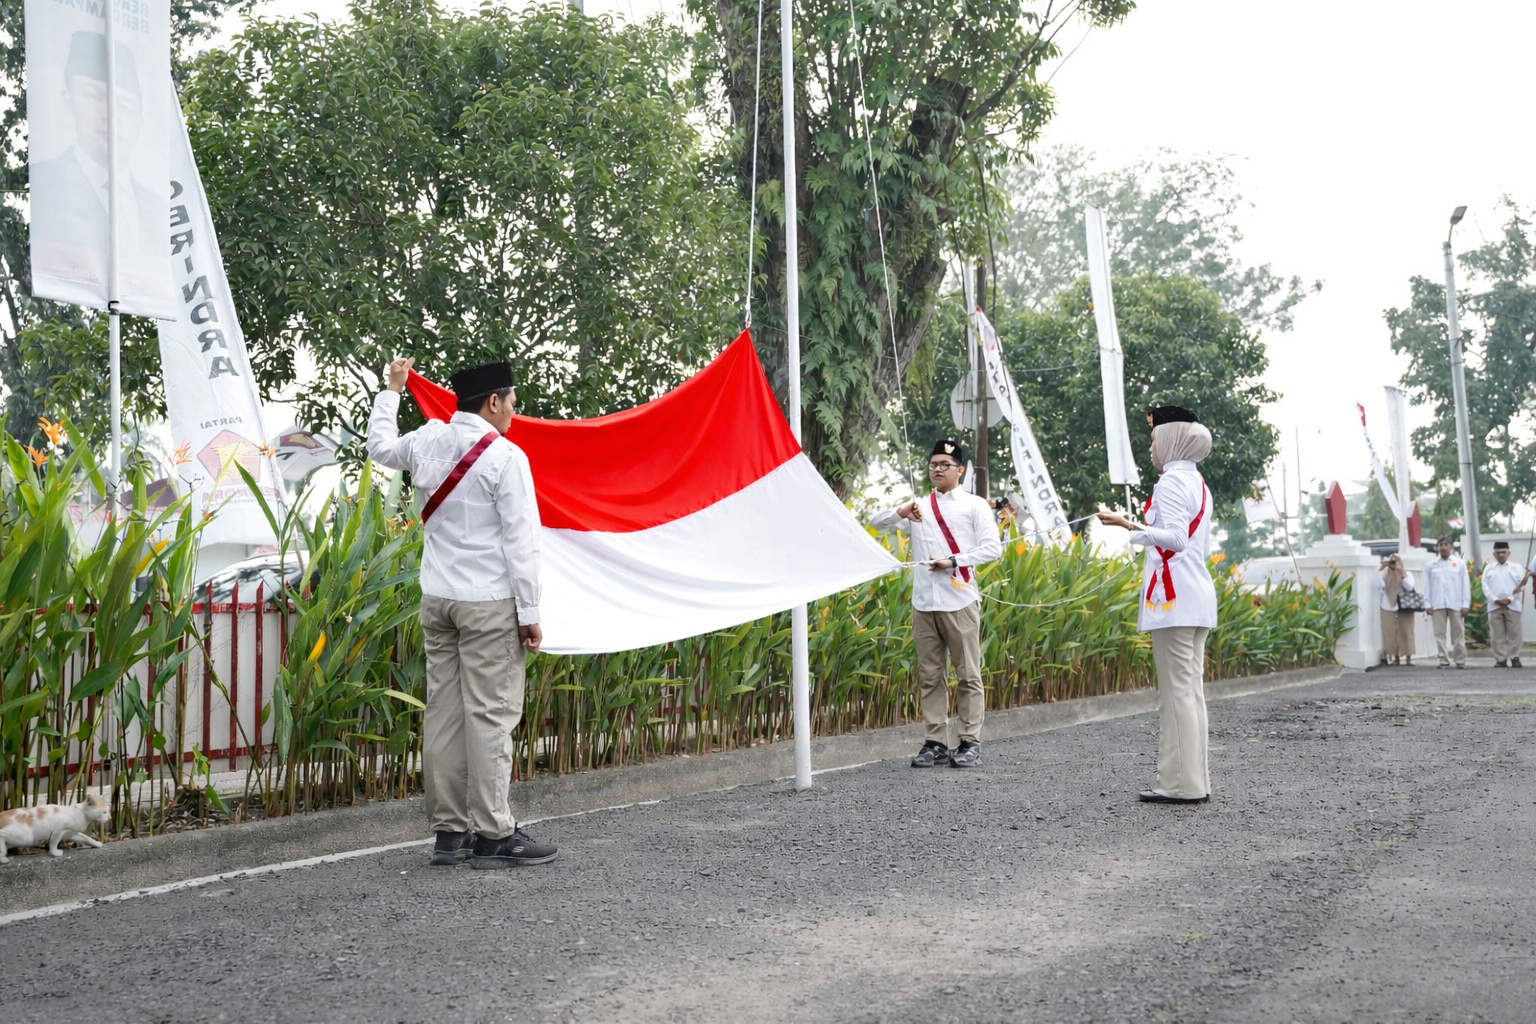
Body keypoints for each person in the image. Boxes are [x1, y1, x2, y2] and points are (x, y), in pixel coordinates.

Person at [366, 356, 557, 869]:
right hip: (488, 604)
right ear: (493, 401)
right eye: (512, 401)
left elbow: (379, 447)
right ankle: (494, 832)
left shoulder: (428, 440)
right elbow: (522, 543)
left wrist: (392, 389)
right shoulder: (505, 457)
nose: (514, 411)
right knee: (491, 715)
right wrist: (530, 612)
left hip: (438, 601)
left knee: (445, 715)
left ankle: (450, 834)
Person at [1096, 406, 1216, 805]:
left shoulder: (1169, 483)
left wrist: (1128, 526)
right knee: (1190, 693)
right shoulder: (1198, 482)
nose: (1150, 449)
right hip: (1195, 595)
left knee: (1177, 693)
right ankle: (1193, 781)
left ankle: (1179, 785)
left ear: (1170, 441)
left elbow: (1177, 539)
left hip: (1175, 599)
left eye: (1153, 441)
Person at [870, 440, 1001, 769]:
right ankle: (935, 742)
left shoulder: (974, 505)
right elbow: (876, 523)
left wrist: (953, 560)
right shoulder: (918, 506)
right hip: (924, 602)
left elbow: (992, 549)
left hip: (959, 599)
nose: (938, 469)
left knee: (968, 673)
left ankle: (969, 741)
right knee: (930, 675)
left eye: (945, 464)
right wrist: (901, 512)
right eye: (933, 464)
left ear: (960, 469)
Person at [1424, 537, 1471, 670]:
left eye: (1446, 544)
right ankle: (1443, 660)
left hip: (1455, 603)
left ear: (1451, 547)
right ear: (1437, 548)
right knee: (1439, 633)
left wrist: (1465, 604)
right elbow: (1427, 586)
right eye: (1441, 545)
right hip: (1437, 603)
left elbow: (1464, 585)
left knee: (1458, 633)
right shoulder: (1431, 565)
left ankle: (1460, 660)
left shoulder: (1459, 564)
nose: (1443, 547)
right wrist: (1428, 604)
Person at [1481, 541, 1526, 668]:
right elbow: (1484, 586)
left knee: (1515, 633)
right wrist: (1495, 599)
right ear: (1494, 554)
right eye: (1498, 552)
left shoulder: (1516, 567)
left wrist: (1510, 598)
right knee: (1497, 634)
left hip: (1513, 604)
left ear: (1508, 553)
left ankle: (1515, 657)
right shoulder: (1489, 568)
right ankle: (1501, 659)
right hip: (1494, 605)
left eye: (1503, 552)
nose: (1500, 555)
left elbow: (1521, 585)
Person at [1378, 554, 1417, 666]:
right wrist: (1382, 567)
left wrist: (1401, 573)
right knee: (1391, 633)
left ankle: (1409, 658)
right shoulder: (1385, 574)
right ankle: (1396, 658)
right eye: (1392, 562)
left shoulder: (1407, 574)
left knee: (1406, 632)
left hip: (1404, 606)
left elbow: (1409, 587)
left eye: (1396, 562)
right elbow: (1379, 584)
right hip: (1387, 606)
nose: (1394, 564)